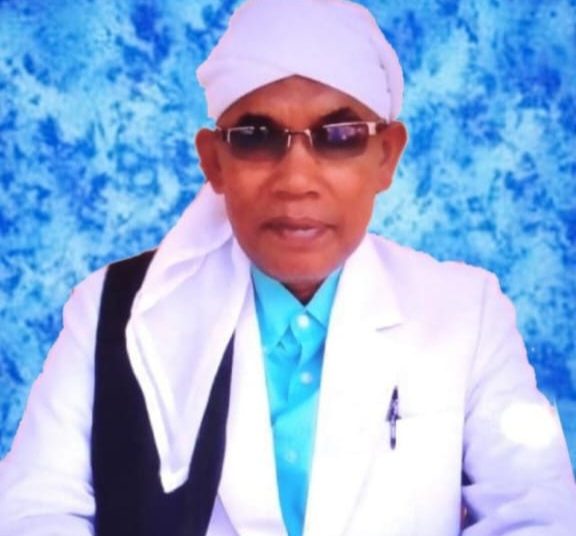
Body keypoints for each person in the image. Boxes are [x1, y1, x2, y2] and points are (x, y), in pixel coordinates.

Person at [1, 0, 575, 534]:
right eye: (256, 137)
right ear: (214, 162)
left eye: (339, 136)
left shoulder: (466, 314)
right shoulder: (113, 311)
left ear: (386, 156)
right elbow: (34, 511)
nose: (297, 180)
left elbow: (538, 513)